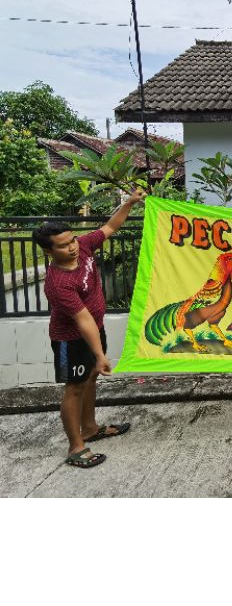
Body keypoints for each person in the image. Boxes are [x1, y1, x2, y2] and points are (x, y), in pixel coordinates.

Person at [32, 190, 145, 468]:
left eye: (72, 240)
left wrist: (129, 202)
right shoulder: (58, 283)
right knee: (74, 388)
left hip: (95, 329)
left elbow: (110, 227)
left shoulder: (83, 246)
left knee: (91, 378)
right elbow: (82, 320)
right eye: (63, 245)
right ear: (49, 251)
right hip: (70, 340)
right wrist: (99, 354)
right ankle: (76, 447)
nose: (72, 247)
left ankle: (90, 428)